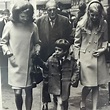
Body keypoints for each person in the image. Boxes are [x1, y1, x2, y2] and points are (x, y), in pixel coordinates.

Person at [0, 1, 41, 110]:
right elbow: (3, 42)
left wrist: (37, 50)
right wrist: (9, 54)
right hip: (14, 63)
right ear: (16, 14)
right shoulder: (9, 25)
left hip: (29, 64)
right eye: (22, 16)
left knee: (29, 91)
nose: (25, 19)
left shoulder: (33, 26)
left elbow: (37, 42)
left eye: (27, 16)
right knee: (17, 93)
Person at [36, 0, 72, 110]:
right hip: (45, 55)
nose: (52, 12)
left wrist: (65, 49)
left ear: (57, 9)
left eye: (54, 9)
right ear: (46, 10)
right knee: (46, 79)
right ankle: (45, 102)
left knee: (60, 79)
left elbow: (70, 37)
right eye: (49, 10)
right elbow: (37, 39)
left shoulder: (65, 21)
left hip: (61, 55)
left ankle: (59, 102)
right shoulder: (39, 21)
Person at [73, 0, 109, 110]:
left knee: (96, 85)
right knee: (88, 86)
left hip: (98, 58)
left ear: (100, 14)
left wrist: (103, 49)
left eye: (97, 15)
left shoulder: (104, 24)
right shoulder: (81, 24)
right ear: (88, 13)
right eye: (92, 15)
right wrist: (77, 58)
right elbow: (76, 43)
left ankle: (94, 108)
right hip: (85, 58)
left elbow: (105, 40)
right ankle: (83, 100)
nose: (94, 18)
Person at [36, 39, 79, 110]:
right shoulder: (51, 59)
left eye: (59, 50)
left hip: (65, 84)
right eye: (55, 49)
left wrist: (74, 78)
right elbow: (46, 66)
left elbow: (76, 70)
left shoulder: (70, 61)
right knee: (60, 101)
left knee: (64, 102)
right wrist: (38, 60)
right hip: (55, 84)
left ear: (65, 51)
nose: (56, 51)